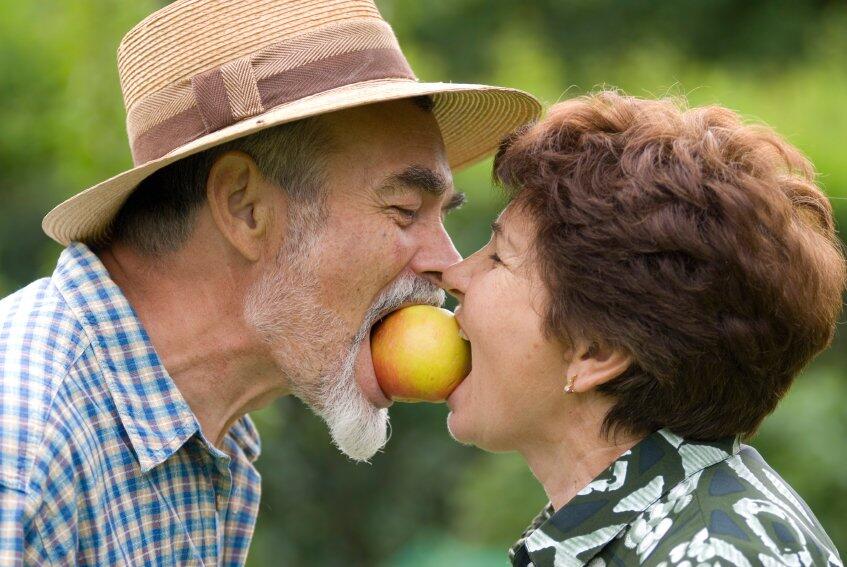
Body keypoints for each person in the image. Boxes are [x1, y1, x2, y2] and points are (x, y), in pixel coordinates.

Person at [0, 0, 540, 564]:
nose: (449, 266)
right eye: (404, 210)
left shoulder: (212, 440)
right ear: (245, 207)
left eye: (442, 215)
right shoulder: (24, 448)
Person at [441, 91, 845, 566]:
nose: (453, 276)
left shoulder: (708, 555)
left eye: (498, 257)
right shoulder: (679, 527)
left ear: (596, 351)